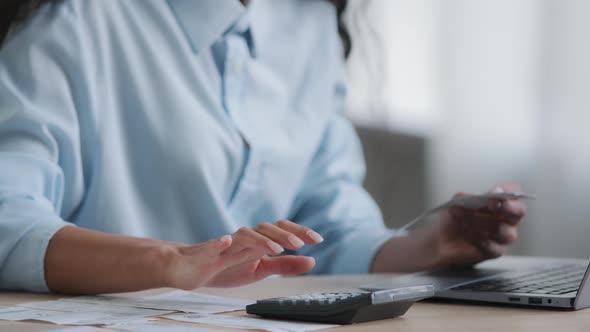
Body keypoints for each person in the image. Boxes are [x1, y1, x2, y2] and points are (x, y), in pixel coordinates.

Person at [0, 0, 526, 295]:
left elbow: (329, 230)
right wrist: (171, 262)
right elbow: (9, 224)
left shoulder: (308, 20)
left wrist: (428, 246)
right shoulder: (74, 18)